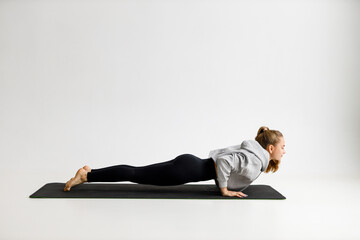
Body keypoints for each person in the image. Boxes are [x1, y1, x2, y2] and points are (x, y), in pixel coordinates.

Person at [64, 126, 286, 198]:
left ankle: (91, 172)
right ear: (270, 148)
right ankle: (86, 176)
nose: (284, 151)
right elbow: (226, 162)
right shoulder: (255, 160)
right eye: (282, 147)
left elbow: (228, 161)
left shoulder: (255, 153)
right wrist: (225, 190)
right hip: (185, 172)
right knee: (135, 175)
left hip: (189, 163)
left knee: (135, 171)